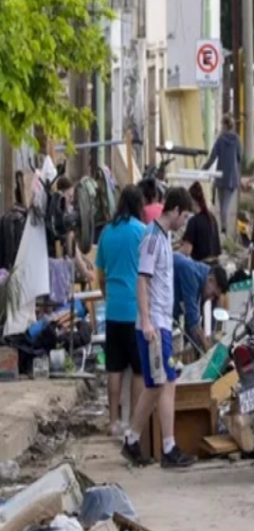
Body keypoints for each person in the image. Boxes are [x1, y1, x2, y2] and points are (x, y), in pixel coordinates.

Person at [121, 186, 195, 469]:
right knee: (159, 382)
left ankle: (152, 441)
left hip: (161, 321)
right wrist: (148, 320)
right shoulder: (152, 238)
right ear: (174, 211)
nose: (184, 222)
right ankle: (152, 443)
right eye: (184, 216)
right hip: (154, 323)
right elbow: (143, 280)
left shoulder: (162, 237)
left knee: (165, 380)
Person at [95, 185, 146, 439]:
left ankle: (113, 421)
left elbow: (100, 276)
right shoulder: (141, 231)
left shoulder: (106, 232)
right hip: (136, 310)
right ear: (138, 206)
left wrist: (108, 298)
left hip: (113, 309)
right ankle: (132, 421)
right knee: (138, 369)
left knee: (114, 367)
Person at [173, 252, 229, 353]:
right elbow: (193, 321)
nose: (211, 299)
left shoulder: (204, 276)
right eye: (213, 294)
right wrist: (207, 350)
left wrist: (215, 336)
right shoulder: (191, 274)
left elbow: (194, 321)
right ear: (211, 280)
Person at [205, 114, 243, 235]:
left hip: (220, 176)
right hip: (232, 177)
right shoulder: (237, 140)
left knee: (222, 204)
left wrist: (204, 169)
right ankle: (224, 227)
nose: (221, 127)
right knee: (226, 203)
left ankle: (223, 227)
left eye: (222, 124)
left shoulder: (220, 140)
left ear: (225, 125)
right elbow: (239, 157)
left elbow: (212, 157)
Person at [180, 182, 221, 262]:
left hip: (200, 265)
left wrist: (172, 253)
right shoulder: (211, 217)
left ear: (192, 201)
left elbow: (186, 251)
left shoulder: (193, 221)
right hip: (215, 264)